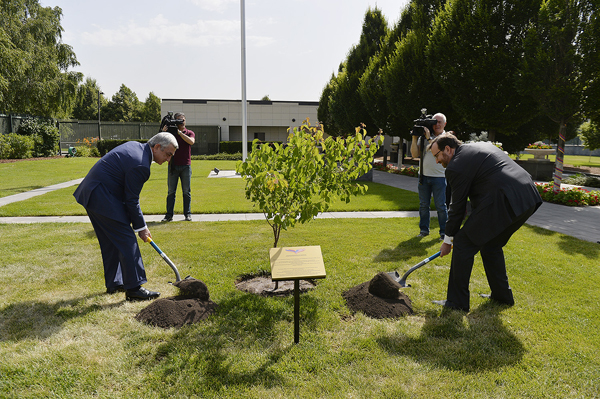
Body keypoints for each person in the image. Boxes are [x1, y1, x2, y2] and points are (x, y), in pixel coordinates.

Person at [428, 133, 542, 312]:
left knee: (464, 242)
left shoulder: (456, 166)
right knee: (491, 245)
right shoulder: (480, 147)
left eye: (437, 156)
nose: (436, 161)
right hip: (528, 197)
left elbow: (457, 208)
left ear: (448, 149)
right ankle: (502, 296)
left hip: (504, 199)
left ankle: (457, 302)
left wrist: (448, 240)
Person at [73, 133, 178, 301]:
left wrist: (136, 222)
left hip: (92, 192)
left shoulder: (136, 147)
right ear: (157, 147)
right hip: (101, 195)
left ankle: (115, 282)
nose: (168, 160)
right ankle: (134, 288)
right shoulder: (141, 165)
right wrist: (141, 228)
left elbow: (125, 194)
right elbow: (131, 200)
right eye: (168, 154)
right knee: (127, 240)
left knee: (110, 242)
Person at [410, 112, 448, 239]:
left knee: (441, 206)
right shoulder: (425, 137)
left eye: (439, 122)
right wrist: (414, 138)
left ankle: (444, 232)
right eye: (434, 122)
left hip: (439, 177)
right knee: (423, 205)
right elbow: (415, 155)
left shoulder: (446, 137)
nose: (437, 125)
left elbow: (438, 150)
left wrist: (427, 138)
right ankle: (424, 230)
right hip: (424, 176)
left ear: (445, 124)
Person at [161, 112, 195, 222]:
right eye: (179, 120)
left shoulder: (189, 133)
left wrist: (180, 133)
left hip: (186, 166)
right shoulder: (171, 134)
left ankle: (188, 214)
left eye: (183, 119)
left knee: (186, 191)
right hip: (173, 166)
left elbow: (191, 142)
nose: (182, 122)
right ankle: (169, 215)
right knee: (171, 191)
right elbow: (160, 143)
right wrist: (163, 133)